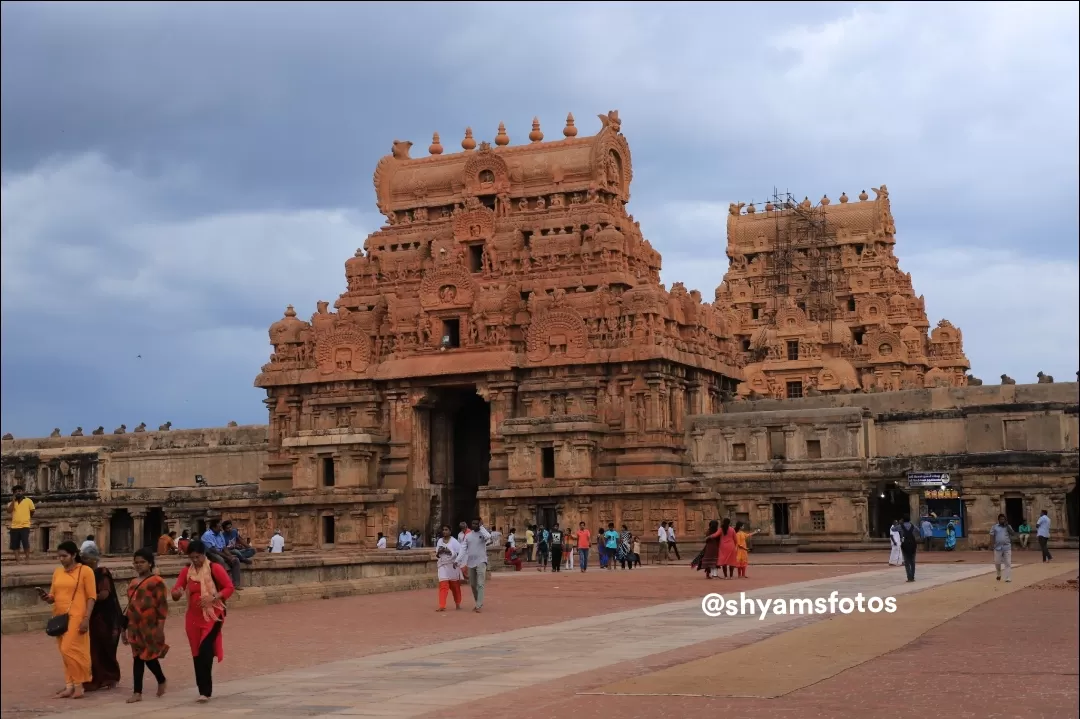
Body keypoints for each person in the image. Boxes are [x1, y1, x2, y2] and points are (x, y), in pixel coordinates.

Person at [171, 540, 235, 703]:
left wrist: (213, 597)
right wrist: (176, 593)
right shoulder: (187, 571)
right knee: (196, 653)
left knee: (205, 650)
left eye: (198, 557)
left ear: (203, 554)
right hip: (193, 618)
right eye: (192, 558)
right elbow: (176, 590)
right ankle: (202, 689)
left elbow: (229, 587)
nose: (195, 561)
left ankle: (206, 691)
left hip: (213, 616)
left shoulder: (215, 568)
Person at [40, 541, 96, 699]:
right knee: (64, 652)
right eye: (59, 556)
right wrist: (46, 597)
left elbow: (92, 597)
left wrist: (86, 618)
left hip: (77, 616)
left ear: (73, 555)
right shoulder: (58, 572)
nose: (61, 559)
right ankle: (69, 685)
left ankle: (79, 685)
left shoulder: (85, 571)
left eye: (64, 556)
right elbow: (53, 597)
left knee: (69, 649)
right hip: (59, 616)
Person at [123, 548, 169, 703]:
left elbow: (162, 606)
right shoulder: (133, 583)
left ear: (150, 563)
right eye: (136, 562)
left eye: (142, 562)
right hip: (134, 626)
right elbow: (130, 606)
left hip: (149, 625)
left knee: (148, 657)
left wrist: (160, 628)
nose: (138, 565)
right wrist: (124, 629)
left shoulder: (157, 582)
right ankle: (137, 692)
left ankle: (161, 679)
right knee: (137, 658)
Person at [80, 546, 123, 691]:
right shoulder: (85, 573)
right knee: (93, 648)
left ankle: (109, 677)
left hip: (105, 617)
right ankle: (96, 677)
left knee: (105, 648)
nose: (83, 561)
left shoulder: (101, 573)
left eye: (86, 558)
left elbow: (104, 594)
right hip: (93, 615)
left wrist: (89, 599)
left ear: (94, 559)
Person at [200, 520, 242, 589]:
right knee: (220, 560)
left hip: (220, 552)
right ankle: (224, 584)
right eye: (219, 526)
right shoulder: (207, 535)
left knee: (235, 560)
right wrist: (226, 557)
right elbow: (213, 550)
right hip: (210, 553)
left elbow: (224, 547)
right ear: (213, 527)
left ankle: (236, 584)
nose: (221, 528)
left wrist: (230, 556)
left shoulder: (220, 534)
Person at [461, 519, 491, 612]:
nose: (474, 525)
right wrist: (458, 561)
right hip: (471, 562)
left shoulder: (483, 534)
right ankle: (478, 601)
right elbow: (463, 549)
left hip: (481, 561)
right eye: (473, 523)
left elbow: (488, 536)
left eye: (476, 523)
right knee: (473, 584)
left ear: (479, 524)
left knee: (480, 584)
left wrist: (481, 527)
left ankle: (478, 605)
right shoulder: (468, 536)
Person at [434, 525, 463, 611]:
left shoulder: (454, 542)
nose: (444, 531)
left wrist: (450, 552)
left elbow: (460, 554)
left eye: (446, 530)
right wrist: (439, 551)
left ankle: (458, 603)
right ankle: (442, 605)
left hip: (452, 566)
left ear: (450, 531)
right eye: (443, 530)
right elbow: (437, 554)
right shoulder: (439, 541)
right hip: (442, 565)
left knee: (455, 587)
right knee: (443, 585)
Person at [7, 484, 35, 563]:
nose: (18, 493)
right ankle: (18, 560)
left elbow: (32, 511)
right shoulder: (11, 503)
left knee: (25, 542)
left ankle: (27, 559)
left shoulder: (28, 501)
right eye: (16, 492)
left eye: (19, 491)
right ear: (14, 494)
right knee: (15, 545)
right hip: (14, 526)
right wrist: (13, 500)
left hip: (25, 525)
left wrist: (27, 518)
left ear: (22, 492)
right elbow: (9, 510)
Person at [989, 514, 1014, 583]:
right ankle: (999, 573)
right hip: (997, 547)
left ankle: (1008, 577)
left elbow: (1013, 533)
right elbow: (991, 535)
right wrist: (992, 544)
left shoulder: (1008, 526)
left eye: (1004, 519)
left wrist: (1007, 526)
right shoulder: (994, 527)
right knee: (997, 562)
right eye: (1001, 519)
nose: (1002, 521)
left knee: (1008, 563)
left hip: (1007, 547)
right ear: (998, 520)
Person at [899, 515, 919, 582]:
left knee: (906, 562)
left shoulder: (901, 526)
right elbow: (918, 531)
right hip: (913, 545)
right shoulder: (913, 526)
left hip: (904, 545)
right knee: (912, 562)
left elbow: (893, 529)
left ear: (903, 520)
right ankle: (912, 577)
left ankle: (909, 577)